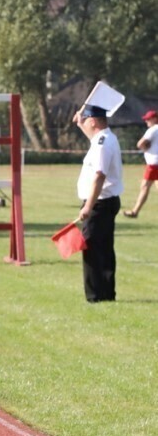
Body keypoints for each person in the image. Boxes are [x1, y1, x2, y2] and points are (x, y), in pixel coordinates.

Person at [73, 104, 123, 303]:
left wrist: (88, 206)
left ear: (93, 121)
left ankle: (95, 296)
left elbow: (99, 176)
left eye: (85, 120)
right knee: (104, 249)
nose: (84, 123)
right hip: (106, 202)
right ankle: (107, 293)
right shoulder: (106, 138)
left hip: (99, 203)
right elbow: (93, 138)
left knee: (92, 249)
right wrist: (80, 123)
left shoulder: (101, 144)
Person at [123, 109, 158, 218]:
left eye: (148, 119)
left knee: (144, 186)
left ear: (155, 119)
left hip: (154, 164)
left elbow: (140, 144)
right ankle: (135, 211)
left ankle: (135, 212)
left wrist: (144, 148)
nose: (146, 121)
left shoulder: (153, 129)